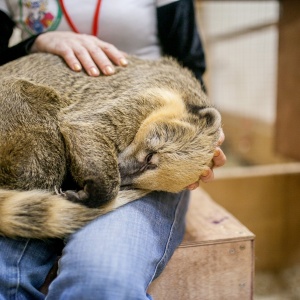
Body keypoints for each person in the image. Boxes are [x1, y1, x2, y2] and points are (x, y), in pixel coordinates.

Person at [0, 1, 226, 299]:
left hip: (141, 128)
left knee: (101, 280)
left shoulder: (155, 111)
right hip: (29, 139)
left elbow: (191, 65)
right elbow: (84, 127)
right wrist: (32, 44)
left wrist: (201, 140)